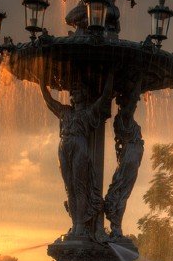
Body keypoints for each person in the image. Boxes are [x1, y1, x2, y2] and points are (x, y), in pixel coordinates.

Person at [40, 71, 114, 237]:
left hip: (80, 145)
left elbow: (104, 99)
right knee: (70, 188)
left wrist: (111, 76)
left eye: (77, 90)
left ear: (85, 93)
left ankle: (80, 226)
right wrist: (41, 81)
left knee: (79, 186)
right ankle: (75, 225)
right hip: (63, 145)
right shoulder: (65, 111)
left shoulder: (87, 113)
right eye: (72, 90)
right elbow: (48, 100)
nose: (73, 93)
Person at [105, 78, 145, 238]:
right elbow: (135, 97)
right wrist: (139, 79)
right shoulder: (125, 116)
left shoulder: (124, 117)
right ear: (125, 102)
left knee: (122, 191)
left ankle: (116, 225)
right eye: (132, 101)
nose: (135, 103)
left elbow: (134, 98)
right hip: (130, 156)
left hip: (132, 156)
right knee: (122, 192)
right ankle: (116, 226)